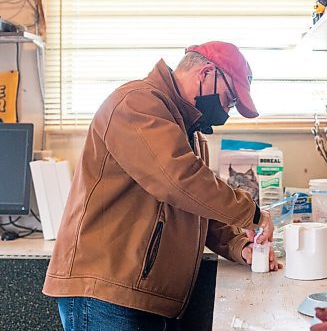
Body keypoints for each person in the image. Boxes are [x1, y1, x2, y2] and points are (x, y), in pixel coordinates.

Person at [43, 41, 281, 330]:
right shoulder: (137, 103)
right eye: (229, 99)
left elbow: (197, 207)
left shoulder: (189, 132)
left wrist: (240, 245)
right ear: (206, 74)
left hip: (138, 293)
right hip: (106, 292)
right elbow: (179, 179)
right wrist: (253, 213)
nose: (226, 111)